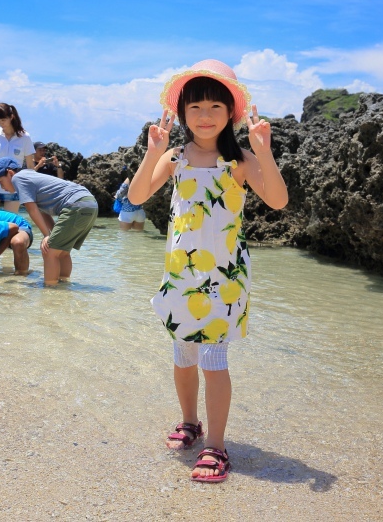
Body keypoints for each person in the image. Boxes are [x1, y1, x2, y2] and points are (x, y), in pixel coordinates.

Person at [128, 59, 288, 483]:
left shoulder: (239, 161)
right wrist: (153, 152)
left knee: (213, 358)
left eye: (215, 106)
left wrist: (264, 151)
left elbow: (278, 201)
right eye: (195, 107)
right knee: (183, 353)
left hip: (225, 277)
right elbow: (137, 196)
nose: (204, 115)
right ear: (182, 113)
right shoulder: (176, 158)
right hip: (181, 274)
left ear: (231, 113)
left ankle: (216, 445)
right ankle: (190, 422)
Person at [0, 157, 98, 286]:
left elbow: (32, 209)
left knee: (49, 250)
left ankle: (50, 289)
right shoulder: (30, 176)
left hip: (75, 205)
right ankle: (64, 286)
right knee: (62, 251)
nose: (2, 187)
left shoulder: (18, 178)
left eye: (1, 181)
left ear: (10, 173)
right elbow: (42, 212)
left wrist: (46, 235)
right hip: (89, 203)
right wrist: (52, 233)